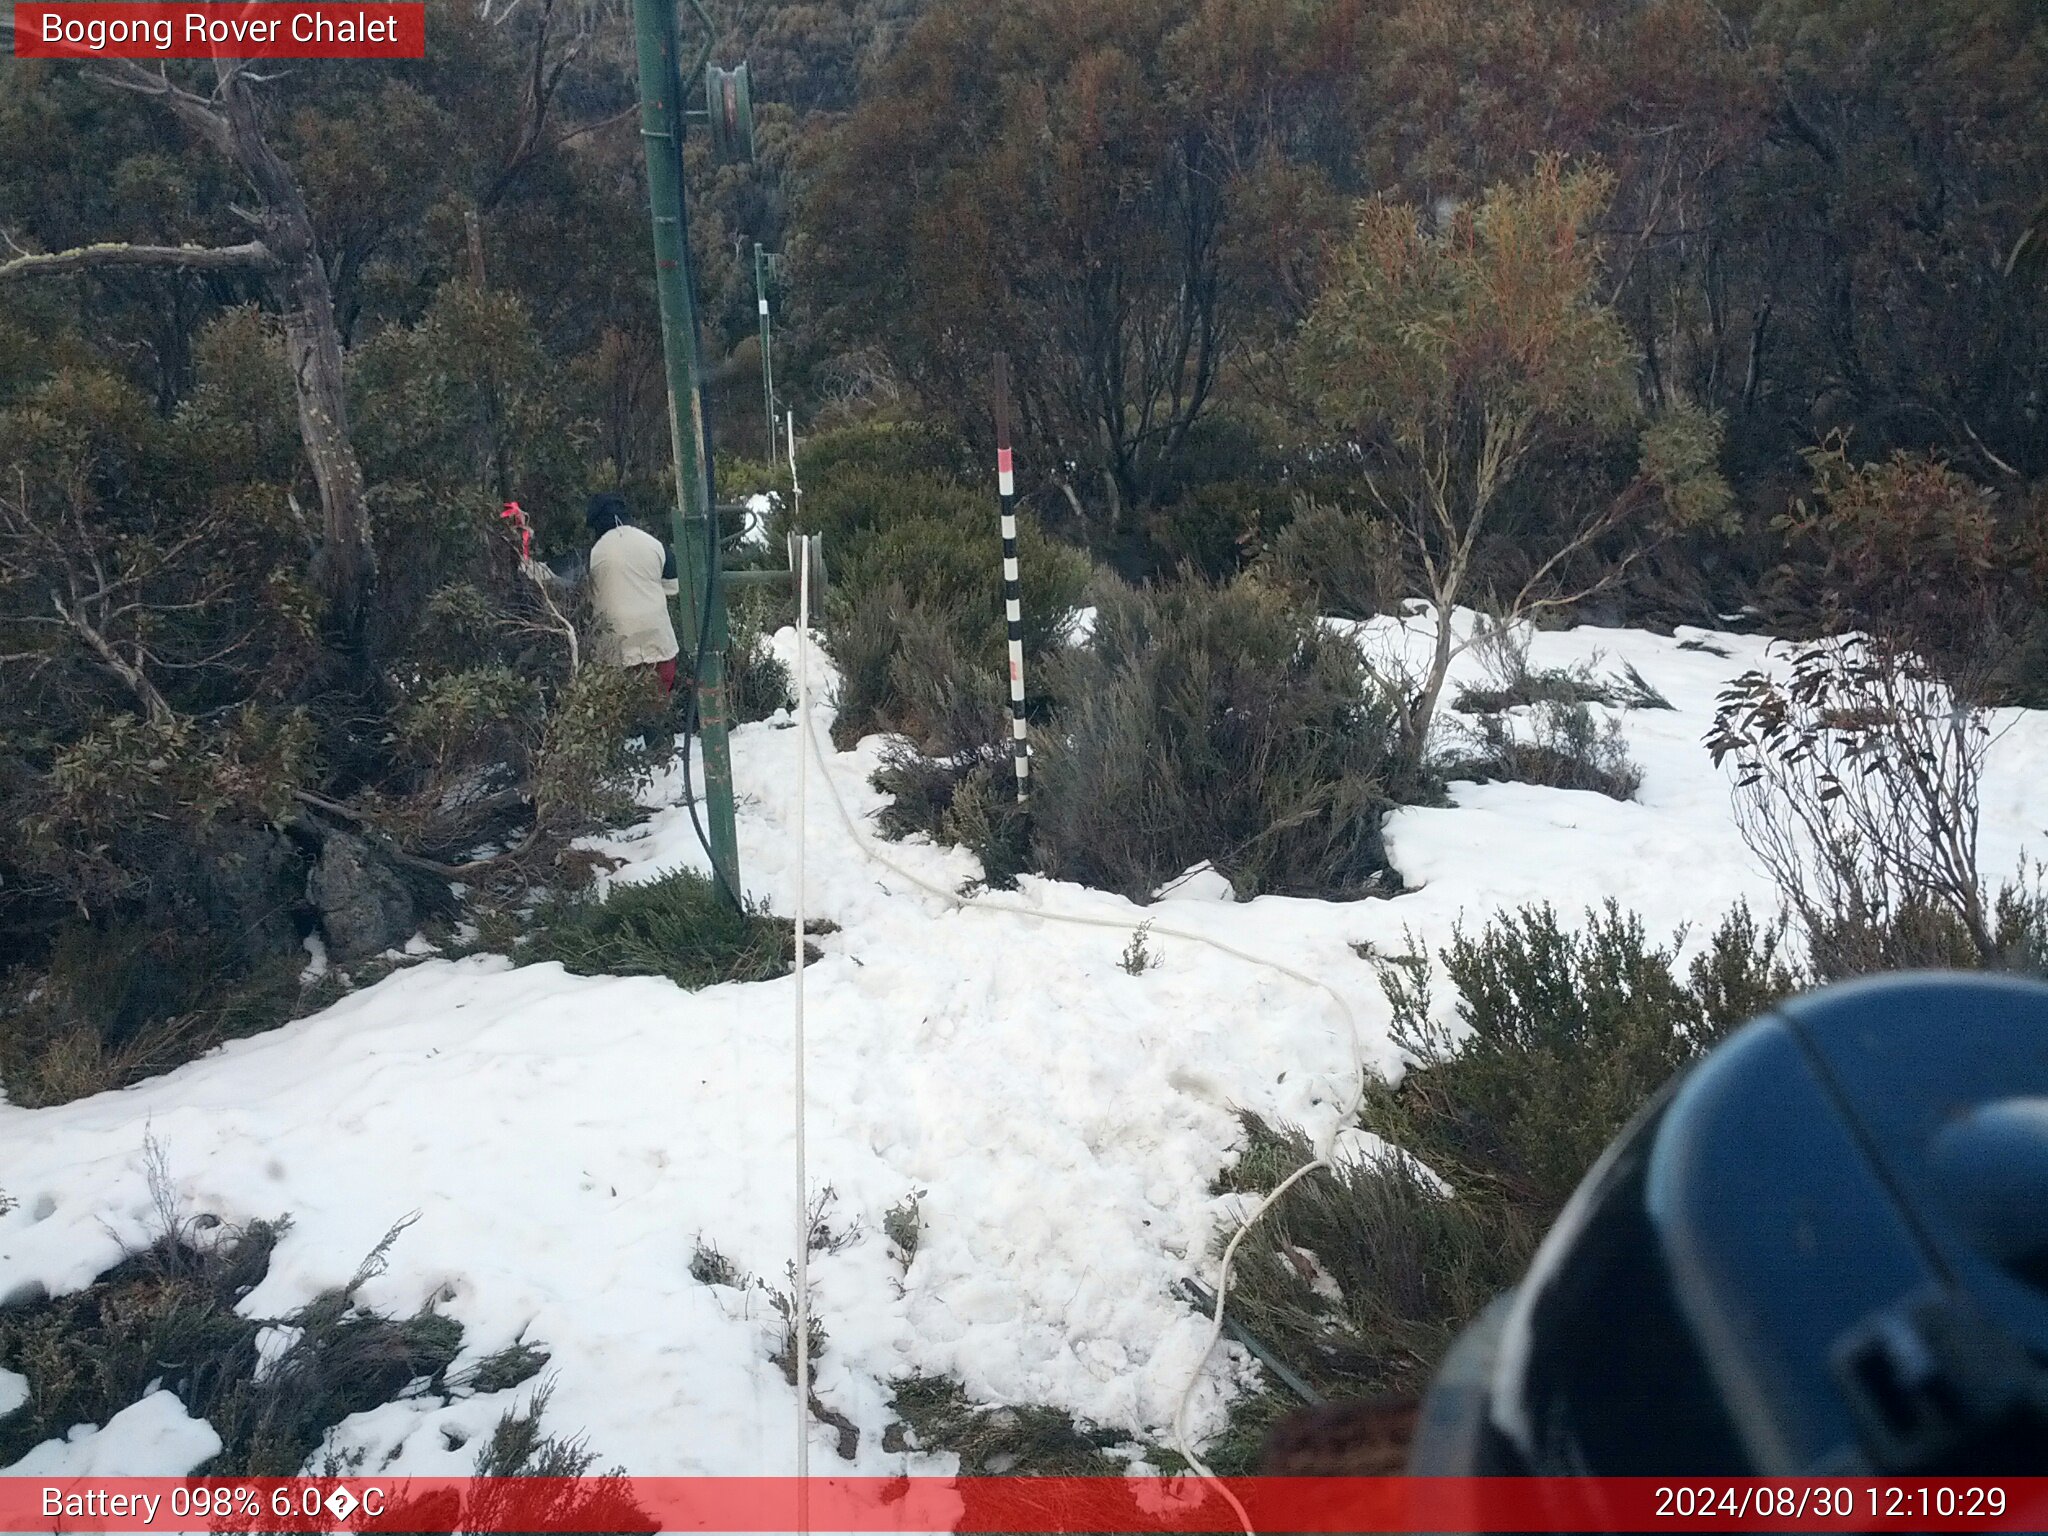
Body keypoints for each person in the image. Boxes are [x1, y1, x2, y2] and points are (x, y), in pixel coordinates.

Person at [584, 492, 682, 694]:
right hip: (661, 648)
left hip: (617, 655)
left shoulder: (594, 554)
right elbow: (673, 586)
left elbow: (581, 593)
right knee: (658, 706)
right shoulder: (654, 544)